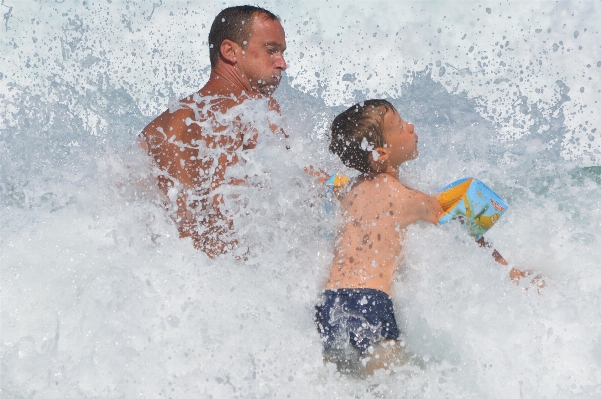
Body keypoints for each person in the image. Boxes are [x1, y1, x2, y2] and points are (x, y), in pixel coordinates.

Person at [315, 99, 517, 375]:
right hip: (371, 302)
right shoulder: (410, 199)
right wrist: (506, 270)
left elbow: (324, 187)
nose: (410, 127)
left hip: (329, 303)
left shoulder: (346, 191)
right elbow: (461, 230)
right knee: (390, 387)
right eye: (400, 126)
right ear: (382, 153)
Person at [140, 6, 287, 257]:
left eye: (282, 53)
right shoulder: (251, 110)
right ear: (230, 51)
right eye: (271, 50)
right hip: (228, 274)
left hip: (172, 274)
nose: (282, 64)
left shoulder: (155, 129)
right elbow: (225, 209)